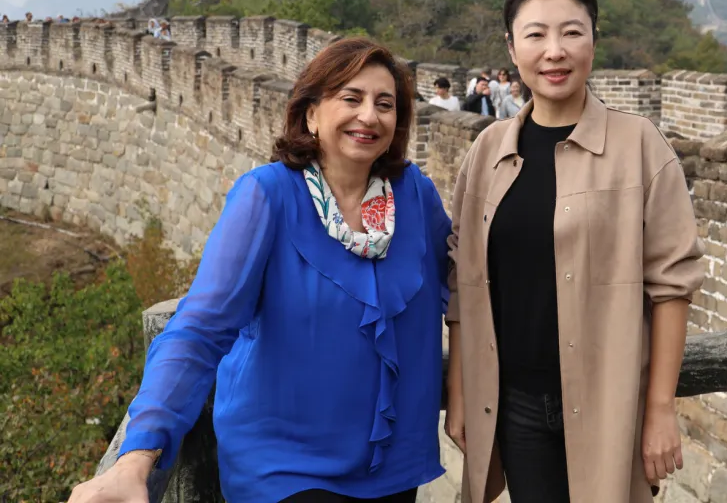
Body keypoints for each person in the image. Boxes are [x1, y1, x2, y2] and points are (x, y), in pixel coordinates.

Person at [69, 38, 451, 503]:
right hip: (286, 465)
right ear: (310, 114)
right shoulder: (267, 195)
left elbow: (462, 287)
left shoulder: (414, 196)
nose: (369, 116)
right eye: (350, 99)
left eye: (385, 104)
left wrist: (468, 389)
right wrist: (138, 453)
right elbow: (201, 326)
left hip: (392, 462)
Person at [443, 0, 705, 503]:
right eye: (535, 34)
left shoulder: (640, 146)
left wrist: (659, 410)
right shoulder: (487, 151)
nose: (554, 51)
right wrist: (461, 394)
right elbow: (465, 282)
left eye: (572, 32)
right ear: (512, 49)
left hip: (609, 403)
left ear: (593, 40)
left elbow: (672, 286)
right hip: (514, 403)